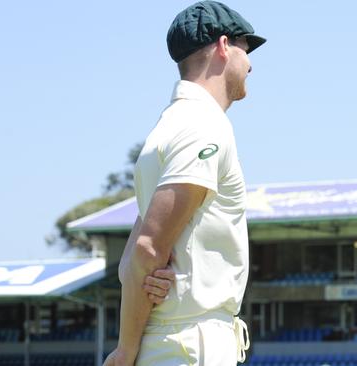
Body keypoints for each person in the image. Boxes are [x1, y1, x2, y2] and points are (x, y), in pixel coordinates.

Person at [103, 1, 265, 365]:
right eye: (245, 46)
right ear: (224, 46)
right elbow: (147, 249)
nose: (250, 60)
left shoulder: (168, 125)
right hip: (191, 343)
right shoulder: (203, 125)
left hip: (174, 340)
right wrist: (125, 350)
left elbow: (131, 260)